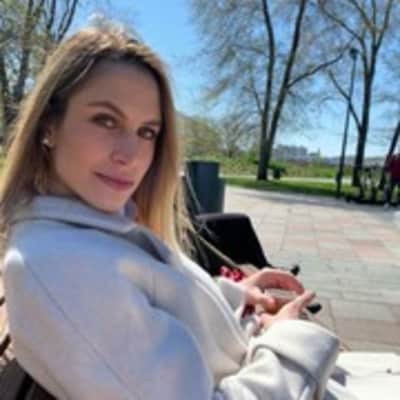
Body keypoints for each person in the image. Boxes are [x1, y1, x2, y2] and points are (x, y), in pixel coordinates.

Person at [0, 24, 398, 400]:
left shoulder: (85, 228)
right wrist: (290, 339)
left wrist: (234, 296)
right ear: (48, 126)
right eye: (106, 120)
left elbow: (145, 311)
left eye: (147, 132)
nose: (131, 155)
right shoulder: (57, 266)